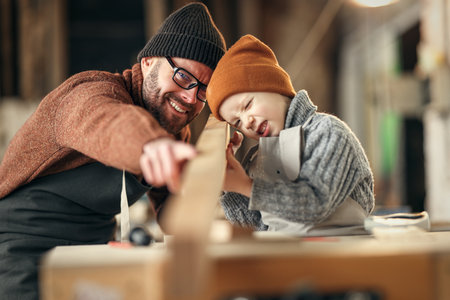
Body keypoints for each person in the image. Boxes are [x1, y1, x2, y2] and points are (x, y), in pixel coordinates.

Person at [0, 2, 226, 299]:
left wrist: (211, 181)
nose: (189, 98)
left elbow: (175, 217)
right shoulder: (89, 92)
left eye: (203, 92)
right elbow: (109, 122)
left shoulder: (175, 131)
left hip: (93, 255)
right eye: (183, 77)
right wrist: (151, 146)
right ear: (148, 62)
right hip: (23, 251)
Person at [206, 34, 375, 236]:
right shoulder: (258, 159)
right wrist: (231, 184)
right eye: (238, 122)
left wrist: (247, 186)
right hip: (286, 258)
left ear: (273, 86)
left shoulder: (328, 132)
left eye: (248, 104)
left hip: (343, 255)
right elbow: (256, 228)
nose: (248, 121)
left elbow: (316, 204)